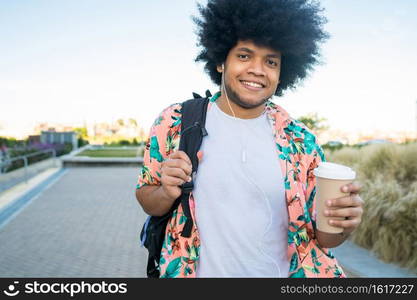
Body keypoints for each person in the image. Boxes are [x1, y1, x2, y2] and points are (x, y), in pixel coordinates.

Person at [136, 0, 363, 278]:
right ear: (221, 61)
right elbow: (147, 197)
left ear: (283, 73)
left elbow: (325, 240)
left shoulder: (301, 142)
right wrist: (166, 191)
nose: (257, 69)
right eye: (244, 56)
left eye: (271, 61)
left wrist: (343, 225)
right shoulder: (175, 121)